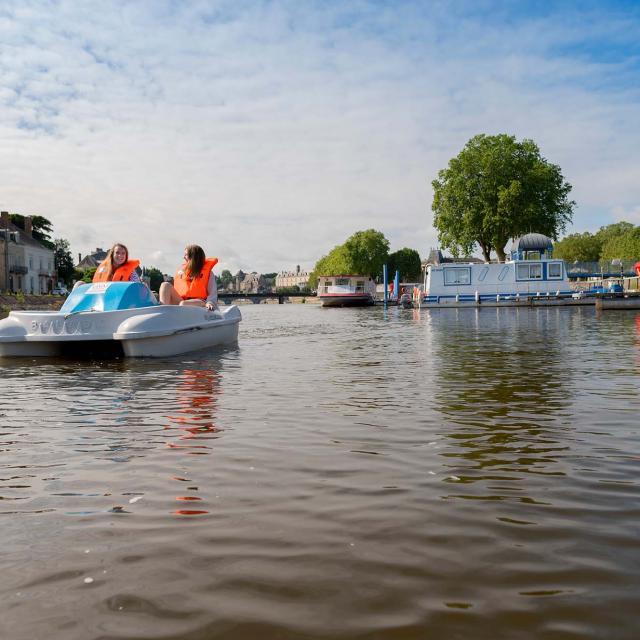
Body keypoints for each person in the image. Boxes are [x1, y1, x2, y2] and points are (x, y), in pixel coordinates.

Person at [159, 245, 218, 311]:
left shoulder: (209, 273)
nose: (183, 257)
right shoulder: (182, 272)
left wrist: (209, 303)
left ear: (193, 257)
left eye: (186, 255)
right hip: (182, 301)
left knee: (183, 304)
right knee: (165, 285)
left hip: (200, 301)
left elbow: (212, 292)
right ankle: (163, 311)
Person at [74, 243, 140, 289]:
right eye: (117, 253)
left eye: (123, 253)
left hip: (121, 301)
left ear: (126, 256)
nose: (120, 255)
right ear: (112, 254)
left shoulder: (131, 272)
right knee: (79, 284)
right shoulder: (103, 268)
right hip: (101, 299)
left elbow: (136, 287)